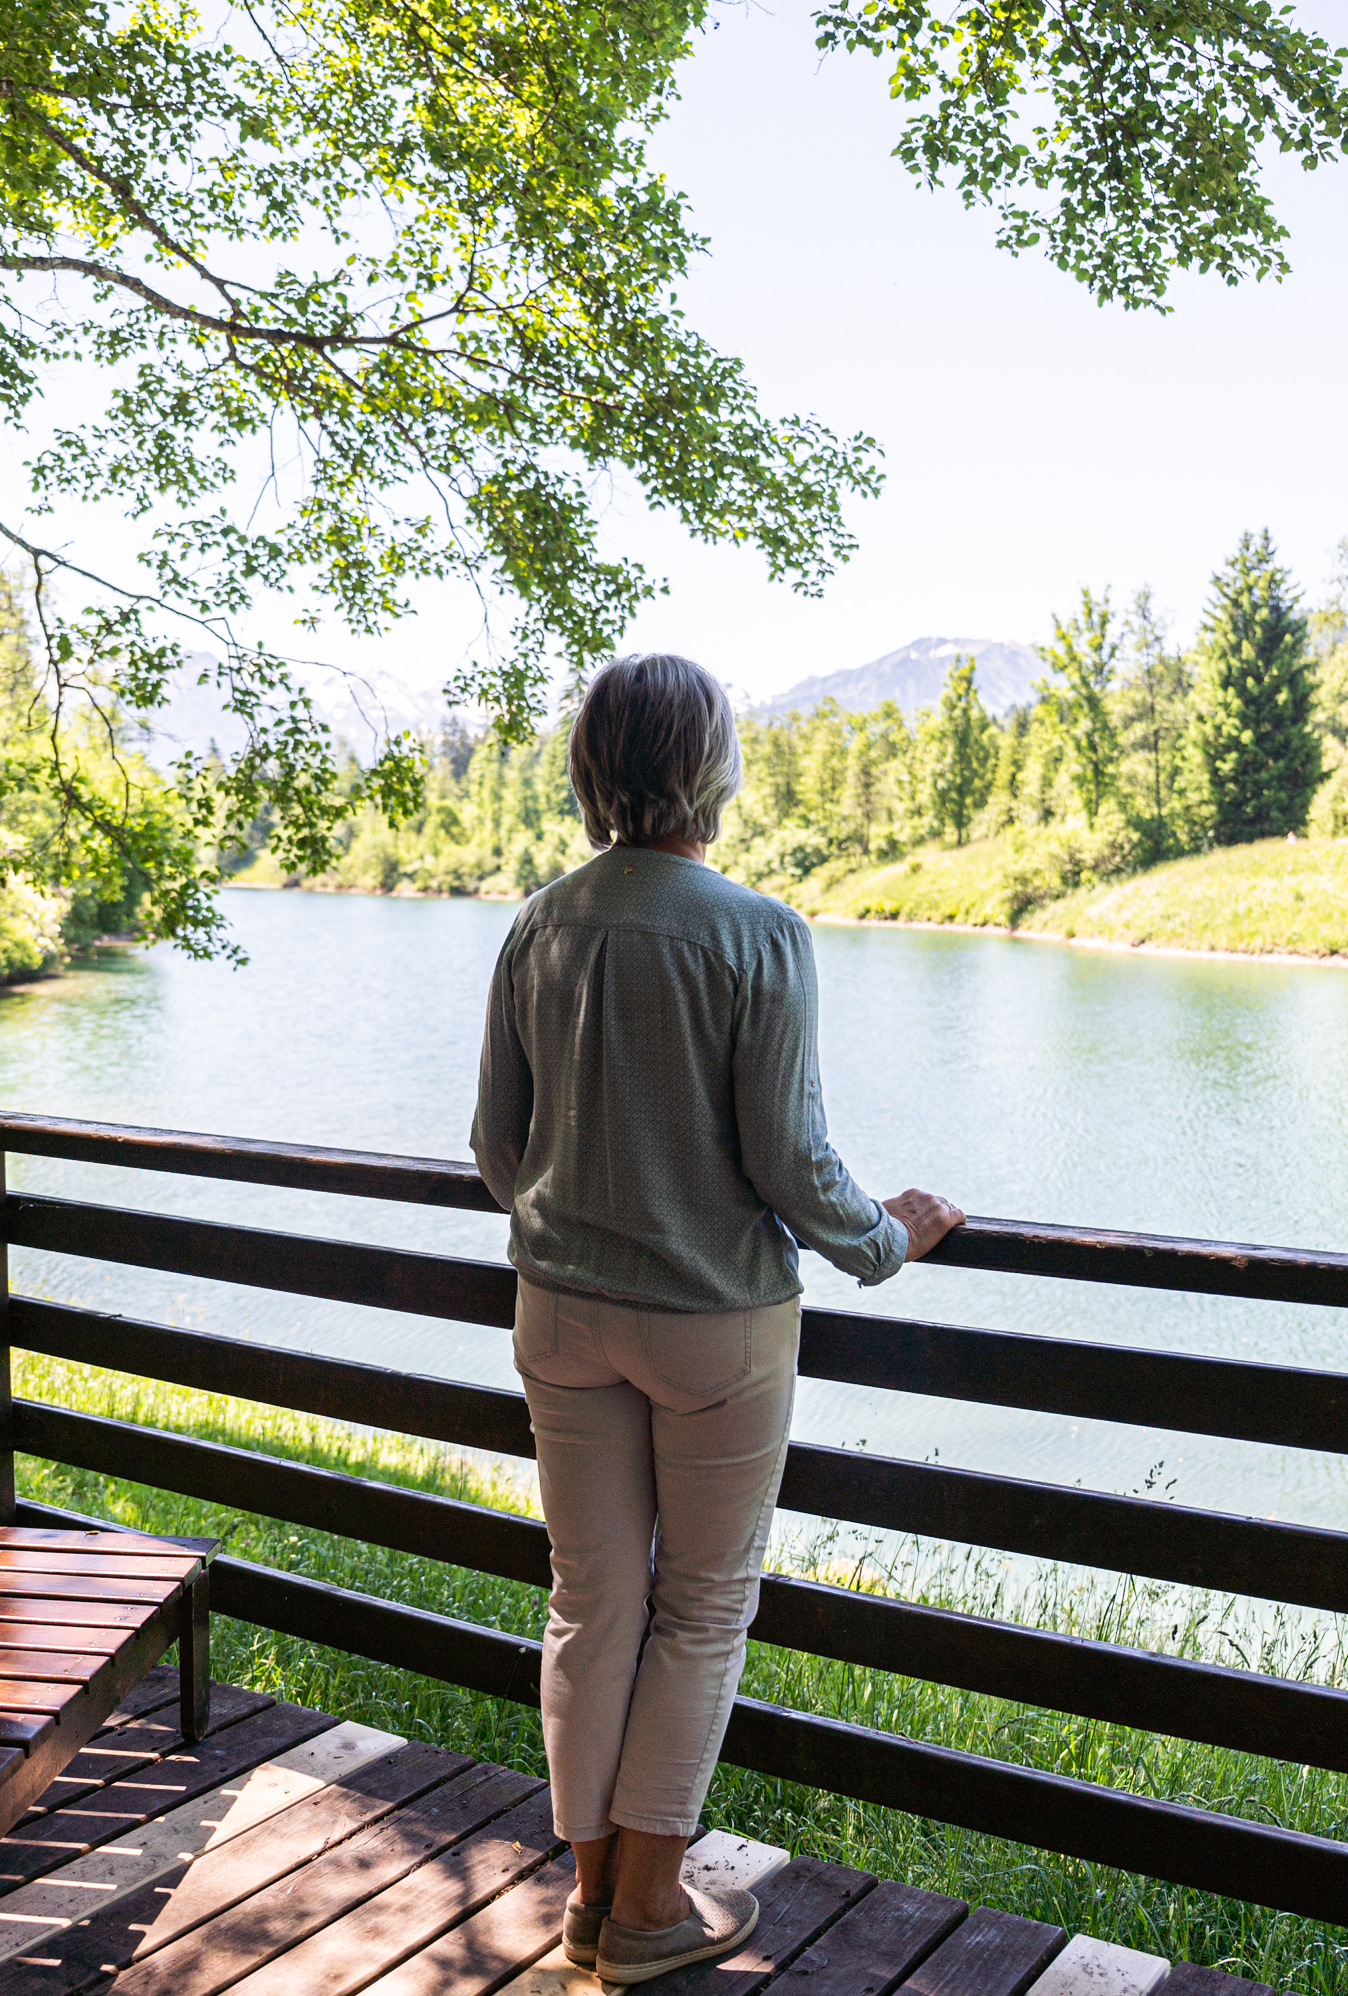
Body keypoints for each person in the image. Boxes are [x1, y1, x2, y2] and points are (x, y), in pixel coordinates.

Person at [471, 652, 964, 1986]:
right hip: (714, 1328)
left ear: (591, 765)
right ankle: (646, 1912)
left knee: (591, 1598)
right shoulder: (758, 932)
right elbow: (791, 1164)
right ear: (713, 766)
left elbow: (494, 1150)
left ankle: (587, 1901)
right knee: (701, 1606)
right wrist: (885, 1242)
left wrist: (578, 1231)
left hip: (560, 1313)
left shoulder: (541, 923)